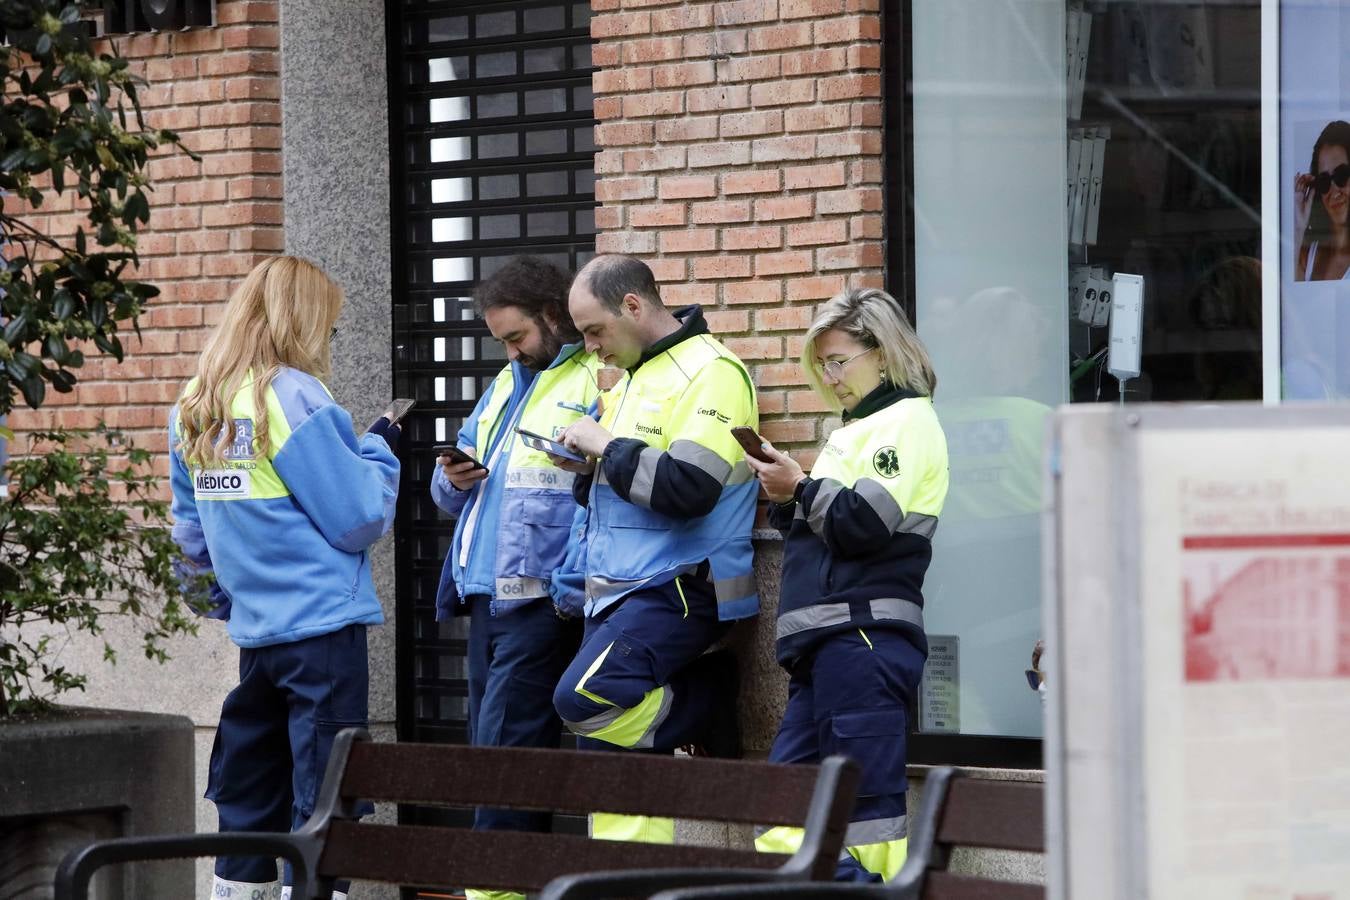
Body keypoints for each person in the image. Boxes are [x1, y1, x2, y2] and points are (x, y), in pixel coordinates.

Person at [168, 256, 401, 900]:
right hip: (323, 629)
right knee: (325, 797)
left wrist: (231, 601)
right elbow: (355, 518)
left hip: (258, 634)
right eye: (330, 326)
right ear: (304, 320)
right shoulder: (293, 394)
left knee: (248, 785)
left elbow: (189, 538)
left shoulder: (196, 403)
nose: (329, 338)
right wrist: (378, 451)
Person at [548, 254, 759, 844]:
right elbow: (620, 486)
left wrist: (605, 444)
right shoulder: (635, 375)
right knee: (610, 770)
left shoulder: (714, 372)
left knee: (584, 700)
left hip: (683, 583)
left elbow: (687, 490)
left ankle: (704, 700)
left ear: (633, 306)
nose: (592, 349)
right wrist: (584, 463)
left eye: (595, 331)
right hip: (615, 588)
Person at [745, 287, 949, 883]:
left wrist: (801, 489)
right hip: (830, 643)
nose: (829, 377)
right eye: (822, 365)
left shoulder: (905, 420)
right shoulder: (859, 429)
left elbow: (863, 525)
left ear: (882, 353)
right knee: (783, 820)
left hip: (861, 637)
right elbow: (835, 525)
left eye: (839, 361)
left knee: (867, 819)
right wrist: (792, 496)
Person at [429, 255, 600, 900]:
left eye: (517, 337)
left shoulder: (593, 376)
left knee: (506, 756)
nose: (511, 350)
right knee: (496, 753)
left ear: (553, 317)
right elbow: (454, 486)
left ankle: (497, 889)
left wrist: (566, 592)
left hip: (541, 599)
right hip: (487, 596)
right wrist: (452, 477)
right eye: (501, 340)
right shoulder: (505, 381)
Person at [1295, 120, 1350, 282]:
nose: (1333, 192)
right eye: (1324, 181)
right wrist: (1298, 227)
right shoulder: (1305, 256)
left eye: (1342, 175)